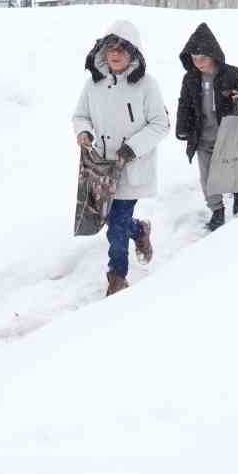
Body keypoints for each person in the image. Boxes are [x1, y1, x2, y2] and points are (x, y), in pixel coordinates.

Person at [72, 20, 171, 296]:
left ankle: (117, 277)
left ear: (133, 52)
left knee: (115, 226)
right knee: (110, 220)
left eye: (121, 49)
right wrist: (84, 132)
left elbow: (160, 124)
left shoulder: (147, 85)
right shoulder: (93, 85)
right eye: (110, 48)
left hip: (131, 169)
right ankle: (139, 231)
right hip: (101, 170)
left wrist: (131, 148)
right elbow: (80, 116)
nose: (114, 54)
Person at [175, 22, 238, 231]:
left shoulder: (233, 73)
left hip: (228, 135)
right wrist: (182, 128)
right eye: (194, 57)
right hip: (203, 137)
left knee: (235, 168)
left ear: (213, 54)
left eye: (202, 57)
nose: (198, 62)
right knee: (208, 177)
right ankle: (217, 210)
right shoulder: (190, 78)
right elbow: (184, 103)